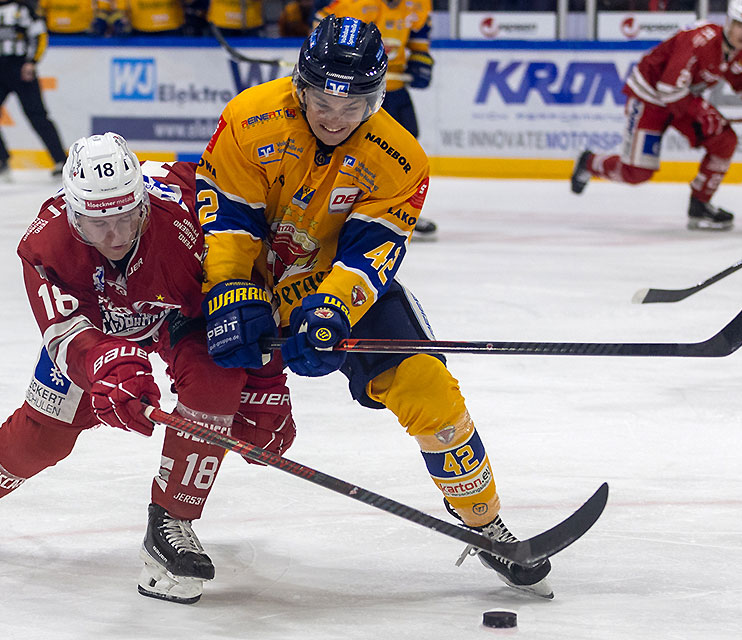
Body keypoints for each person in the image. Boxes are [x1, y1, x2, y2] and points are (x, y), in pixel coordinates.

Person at [195, 15, 553, 599]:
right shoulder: (249, 117)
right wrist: (232, 289)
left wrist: (331, 308)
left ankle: (487, 526)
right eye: (321, 102)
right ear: (300, 86)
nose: (334, 119)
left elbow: (370, 256)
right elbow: (228, 213)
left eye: (352, 105)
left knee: (428, 388)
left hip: (341, 289)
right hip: (251, 285)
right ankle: (172, 519)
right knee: (202, 389)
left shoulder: (400, 158)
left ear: (376, 98)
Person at [0, 133, 296, 605]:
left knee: (215, 381)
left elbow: (243, 300)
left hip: (179, 314)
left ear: (142, 199)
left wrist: (266, 383)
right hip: (94, 326)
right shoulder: (46, 244)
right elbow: (63, 334)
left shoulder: (190, 214)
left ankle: (171, 524)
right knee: (42, 436)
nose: (116, 237)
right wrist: (105, 362)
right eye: (98, 224)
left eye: (126, 217)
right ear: (72, 211)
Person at [570, 0, 742, 231]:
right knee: (637, 172)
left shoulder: (740, 54)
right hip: (650, 98)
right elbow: (667, 87)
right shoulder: (700, 41)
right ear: (728, 21)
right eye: (740, 25)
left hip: (681, 100)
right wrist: (702, 111)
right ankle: (590, 162)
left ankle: (700, 203)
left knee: (724, 139)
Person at [313, 1, 438, 241]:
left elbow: (418, 35)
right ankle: (337, 210)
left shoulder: (417, 4)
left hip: (395, 89)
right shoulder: (353, 3)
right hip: (359, 95)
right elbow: (321, 27)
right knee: (352, 150)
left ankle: (402, 208)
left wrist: (421, 58)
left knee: (405, 151)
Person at [0, 0, 68, 183]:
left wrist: (32, 61)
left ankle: (61, 161)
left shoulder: (24, 10)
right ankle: (0, 161)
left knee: (37, 115)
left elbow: (40, 36)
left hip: (21, 67)